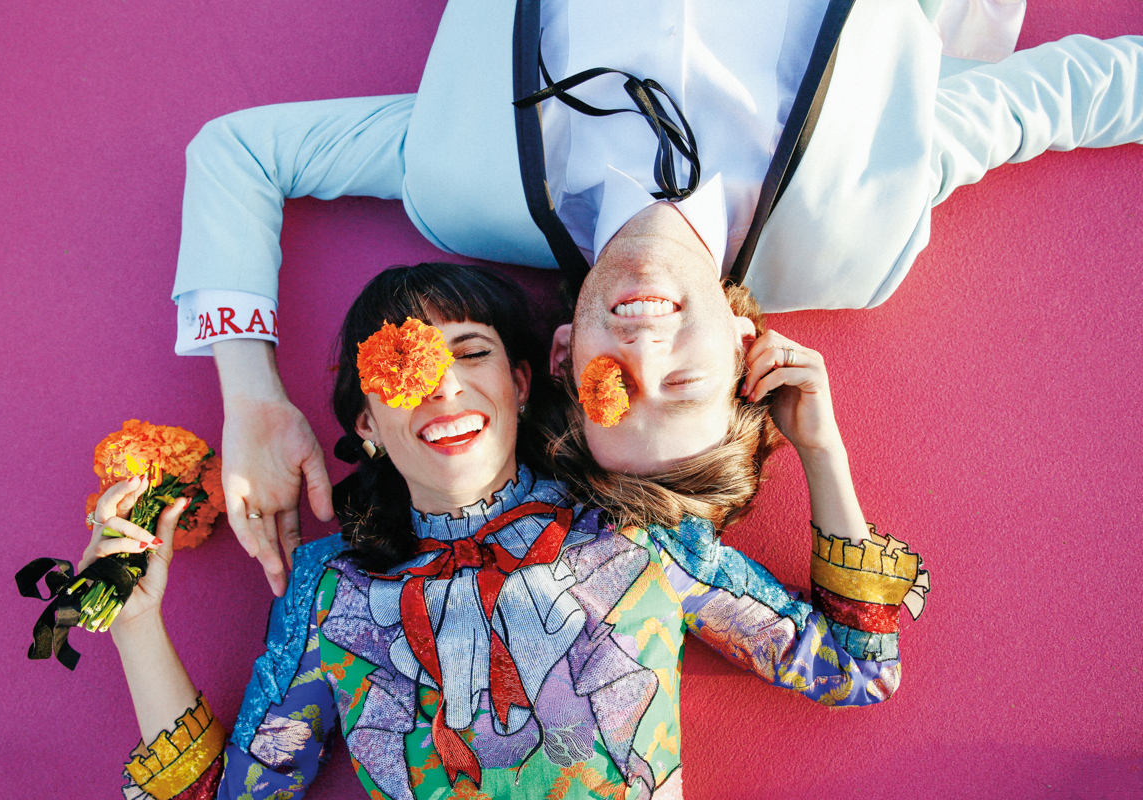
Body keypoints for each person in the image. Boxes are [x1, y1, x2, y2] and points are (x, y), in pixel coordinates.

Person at [169, 0, 1142, 593]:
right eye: (683, 384)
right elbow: (1083, 95)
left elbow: (240, 151)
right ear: (746, 342)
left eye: (609, 392)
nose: (642, 350)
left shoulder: (466, 182)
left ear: (557, 356)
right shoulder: (863, 226)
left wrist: (251, 393)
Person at [93, 262, 925, 799]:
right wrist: (133, 627)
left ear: (524, 383)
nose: (444, 387)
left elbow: (858, 668)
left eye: (471, 351)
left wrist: (820, 449)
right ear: (368, 423)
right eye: (404, 366)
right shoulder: (330, 592)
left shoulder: (636, 537)